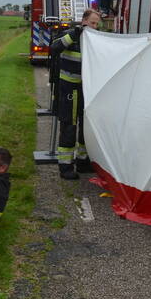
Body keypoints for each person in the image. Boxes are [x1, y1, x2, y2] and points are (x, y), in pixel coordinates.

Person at [50, 9, 100, 180]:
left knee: (85, 128)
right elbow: (55, 47)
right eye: (92, 23)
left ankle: (82, 161)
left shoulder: (95, 40)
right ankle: (65, 167)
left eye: (96, 24)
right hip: (69, 90)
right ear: (84, 20)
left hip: (86, 90)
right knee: (69, 128)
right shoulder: (70, 35)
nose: (94, 26)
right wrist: (74, 33)